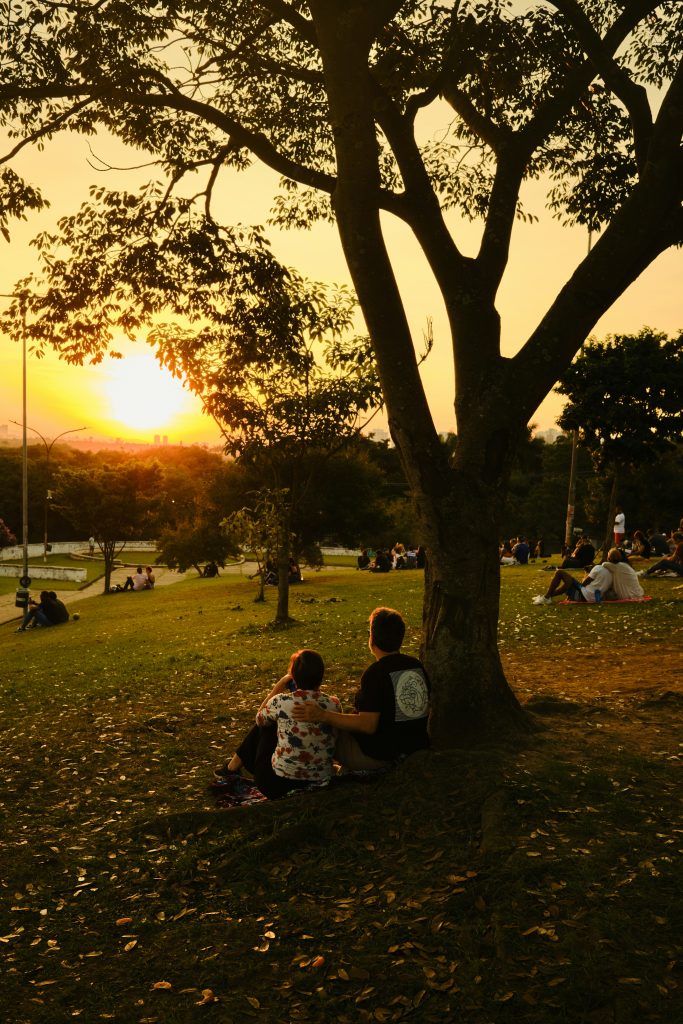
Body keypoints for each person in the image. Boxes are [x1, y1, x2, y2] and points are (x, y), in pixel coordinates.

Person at [292, 607, 430, 771]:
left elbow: (367, 725)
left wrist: (322, 715)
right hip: (415, 748)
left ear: (373, 639)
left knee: (324, 726)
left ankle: (311, 772)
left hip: (383, 757)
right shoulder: (416, 666)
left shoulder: (375, 674)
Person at [214, 650, 340, 799]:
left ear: (293, 678)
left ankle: (231, 768)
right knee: (276, 721)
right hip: (319, 781)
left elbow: (259, 719)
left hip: (275, 785)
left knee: (266, 724)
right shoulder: (333, 704)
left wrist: (279, 685)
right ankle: (231, 767)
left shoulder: (281, 702)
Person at [532, 561, 614, 605]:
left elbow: (585, 583)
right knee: (569, 582)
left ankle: (546, 597)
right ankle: (547, 597)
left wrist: (585, 576)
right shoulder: (611, 575)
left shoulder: (598, 568)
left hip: (584, 595)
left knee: (560, 572)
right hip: (592, 598)